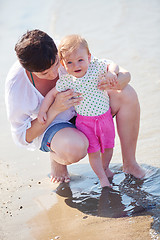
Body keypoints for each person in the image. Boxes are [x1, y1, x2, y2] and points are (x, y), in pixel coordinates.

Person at [5, 29, 145, 184]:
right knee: (75, 148)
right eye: (44, 73)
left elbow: (107, 67)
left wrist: (120, 79)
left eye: (56, 64)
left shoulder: (64, 49)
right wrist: (54, 109)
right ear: (28, 70)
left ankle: (130, 164)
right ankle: (56, 158)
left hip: (88, 110)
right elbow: (24, 137)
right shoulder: (17, 85)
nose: (53, 74)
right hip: (55, 126)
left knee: (127, 93)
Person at [38, 34, 119, 187]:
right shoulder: (67, 80)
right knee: (94, 151)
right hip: (85, 123)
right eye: (70, 62)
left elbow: (113, 64)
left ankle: (105, 168)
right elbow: (51, 95)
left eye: (80, 60)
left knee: (108, 146)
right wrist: (43, 111)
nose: (76, 66)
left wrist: (112, 73)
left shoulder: (97, 67)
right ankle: (102, 178)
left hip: (105, 118)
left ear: (88, 57)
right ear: (63, 64)